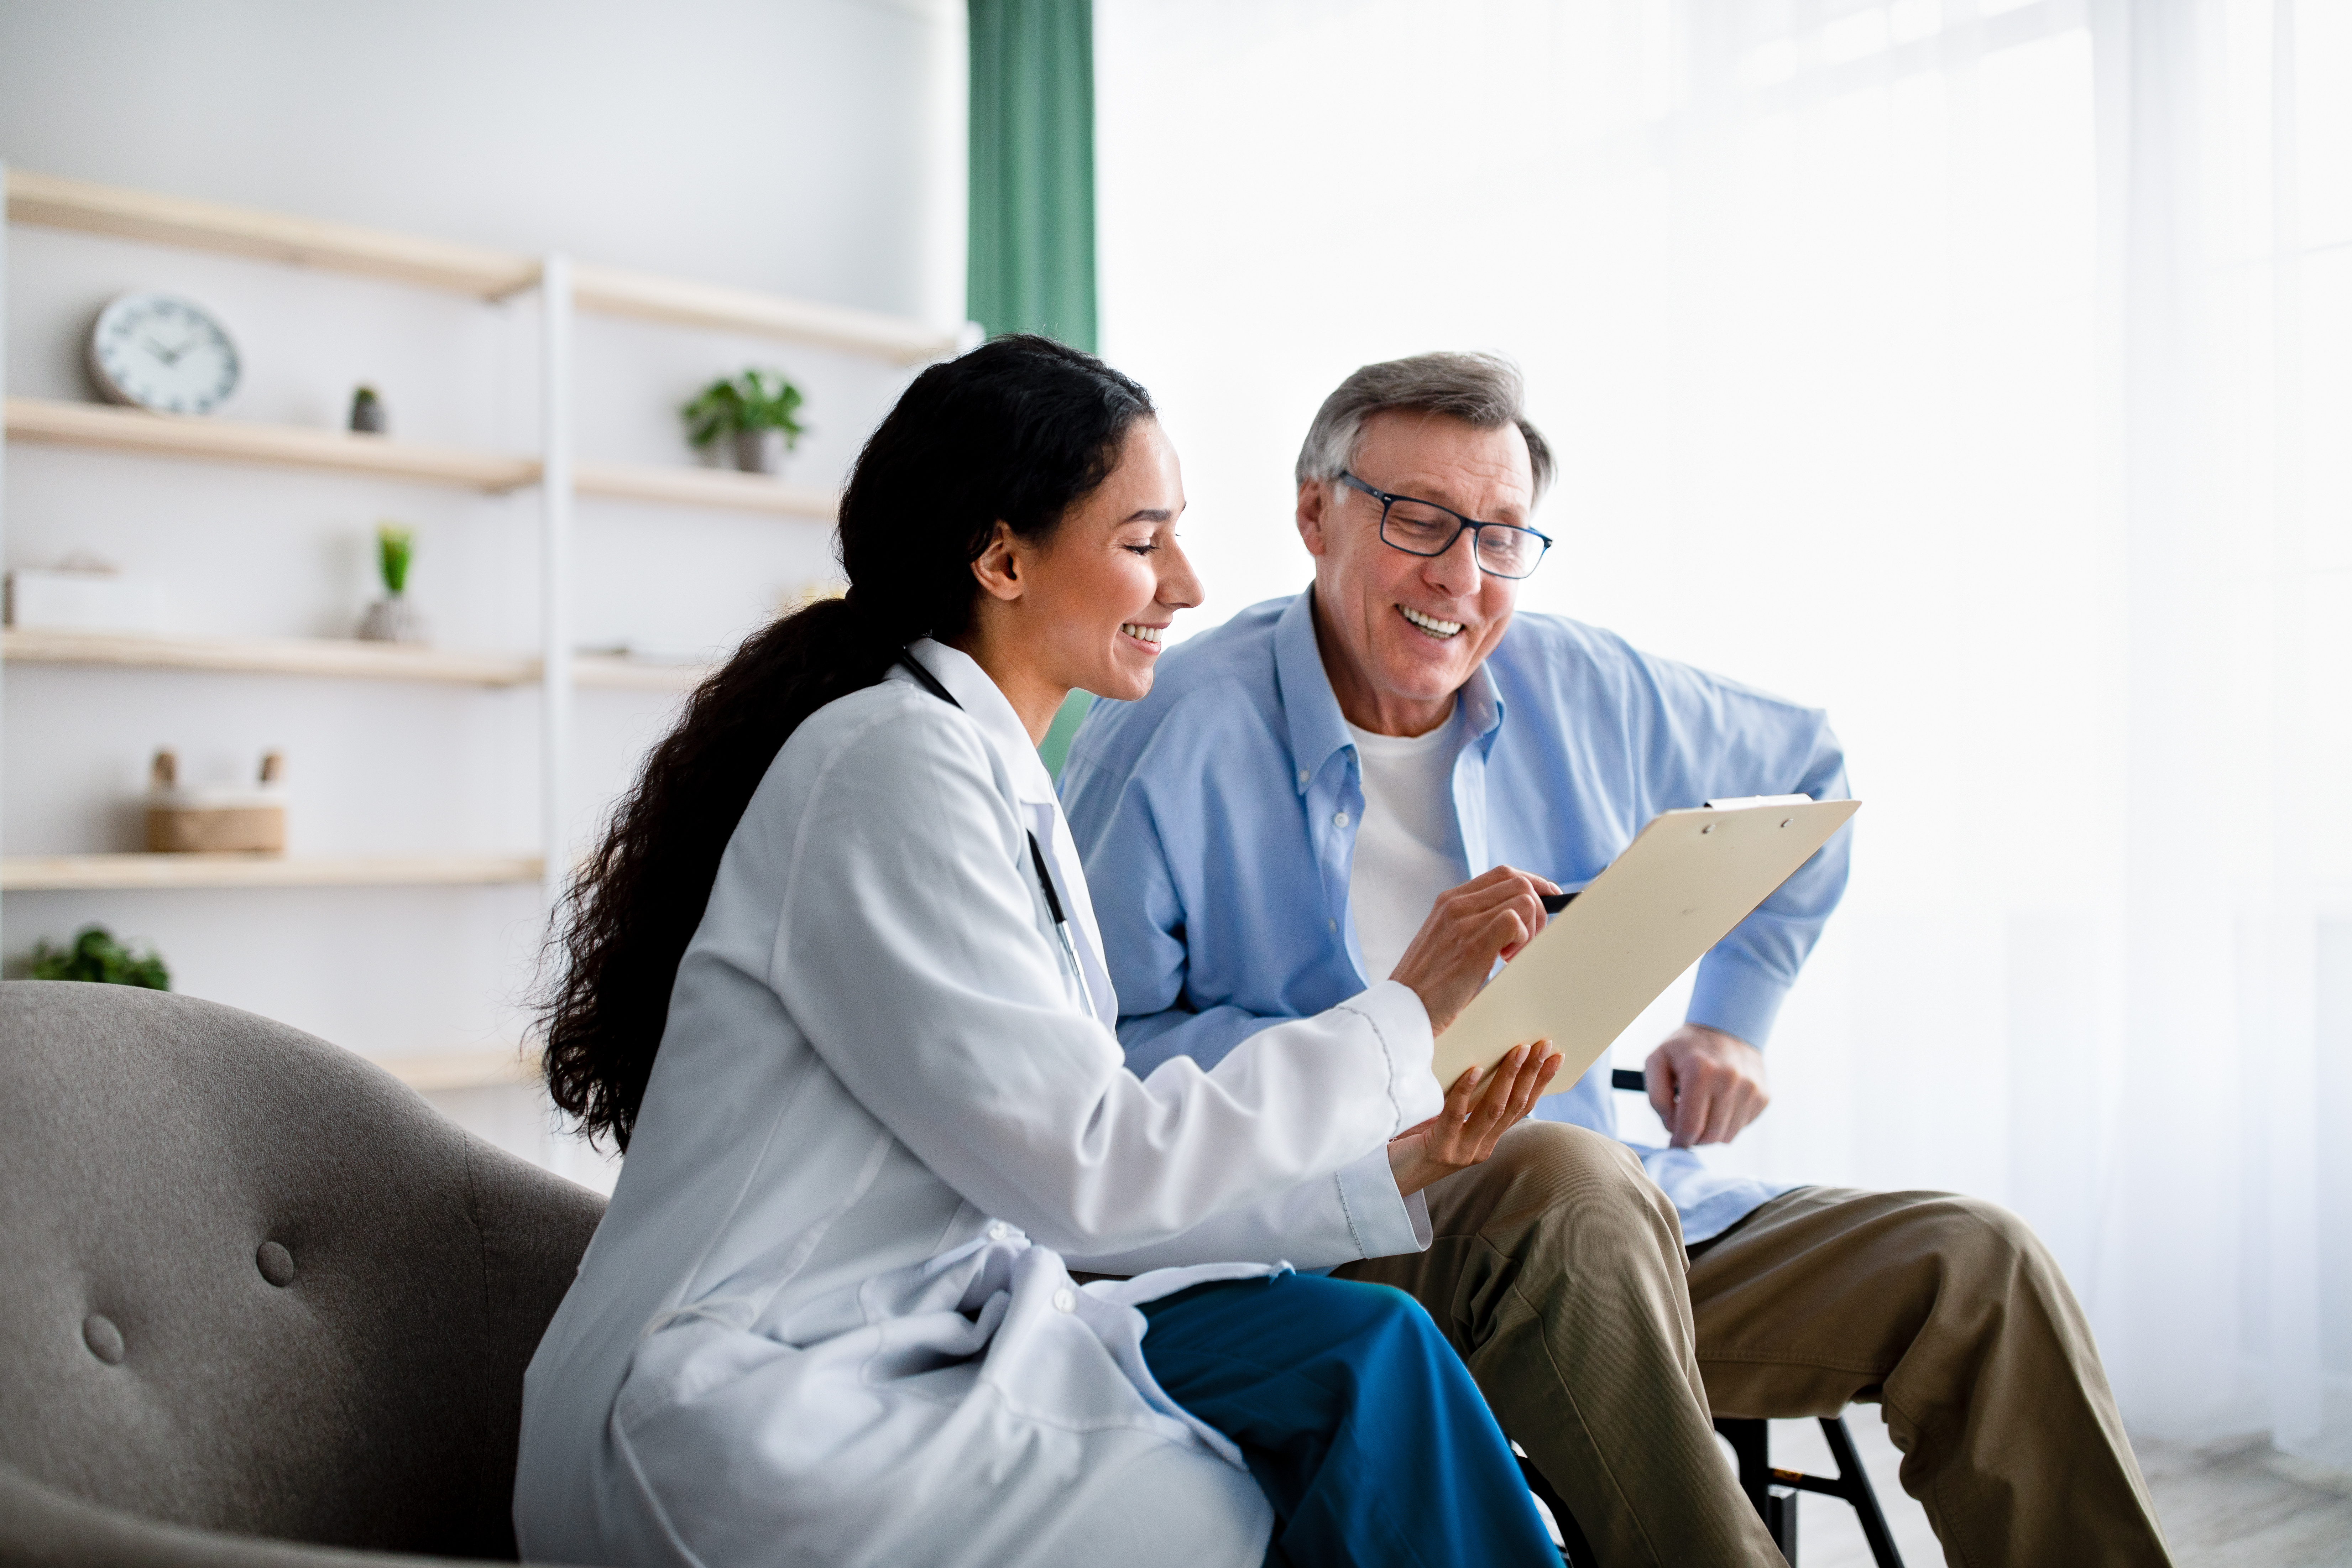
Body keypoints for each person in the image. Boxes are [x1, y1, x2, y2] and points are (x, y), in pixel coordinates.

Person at [1060, 351, 2176, 1568]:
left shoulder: (1584, 683)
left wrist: (1733, 1018)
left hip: (1620, 1232)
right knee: (1560, 1173)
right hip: (1342, 1235)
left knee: (1976, 1264)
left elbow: (1810, 771)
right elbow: (1095, 1071)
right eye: (1418, 519)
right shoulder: (1169, 729)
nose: (1460, 576)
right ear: (1314, 511)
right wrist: (1388, 1038)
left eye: (1500, 537)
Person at [511, 336, 1568, 1568]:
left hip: (918, 1335)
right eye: (1142, 540)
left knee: (1365, 1361)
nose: (1186, 583)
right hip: (736, 1399)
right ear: (1003, 556)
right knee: (1284, 1468)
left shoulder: (986, 777)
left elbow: (1065, 1185)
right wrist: (1401, 1015)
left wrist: (1388, 1164)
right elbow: (1089, 1173)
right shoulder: (888, 767)